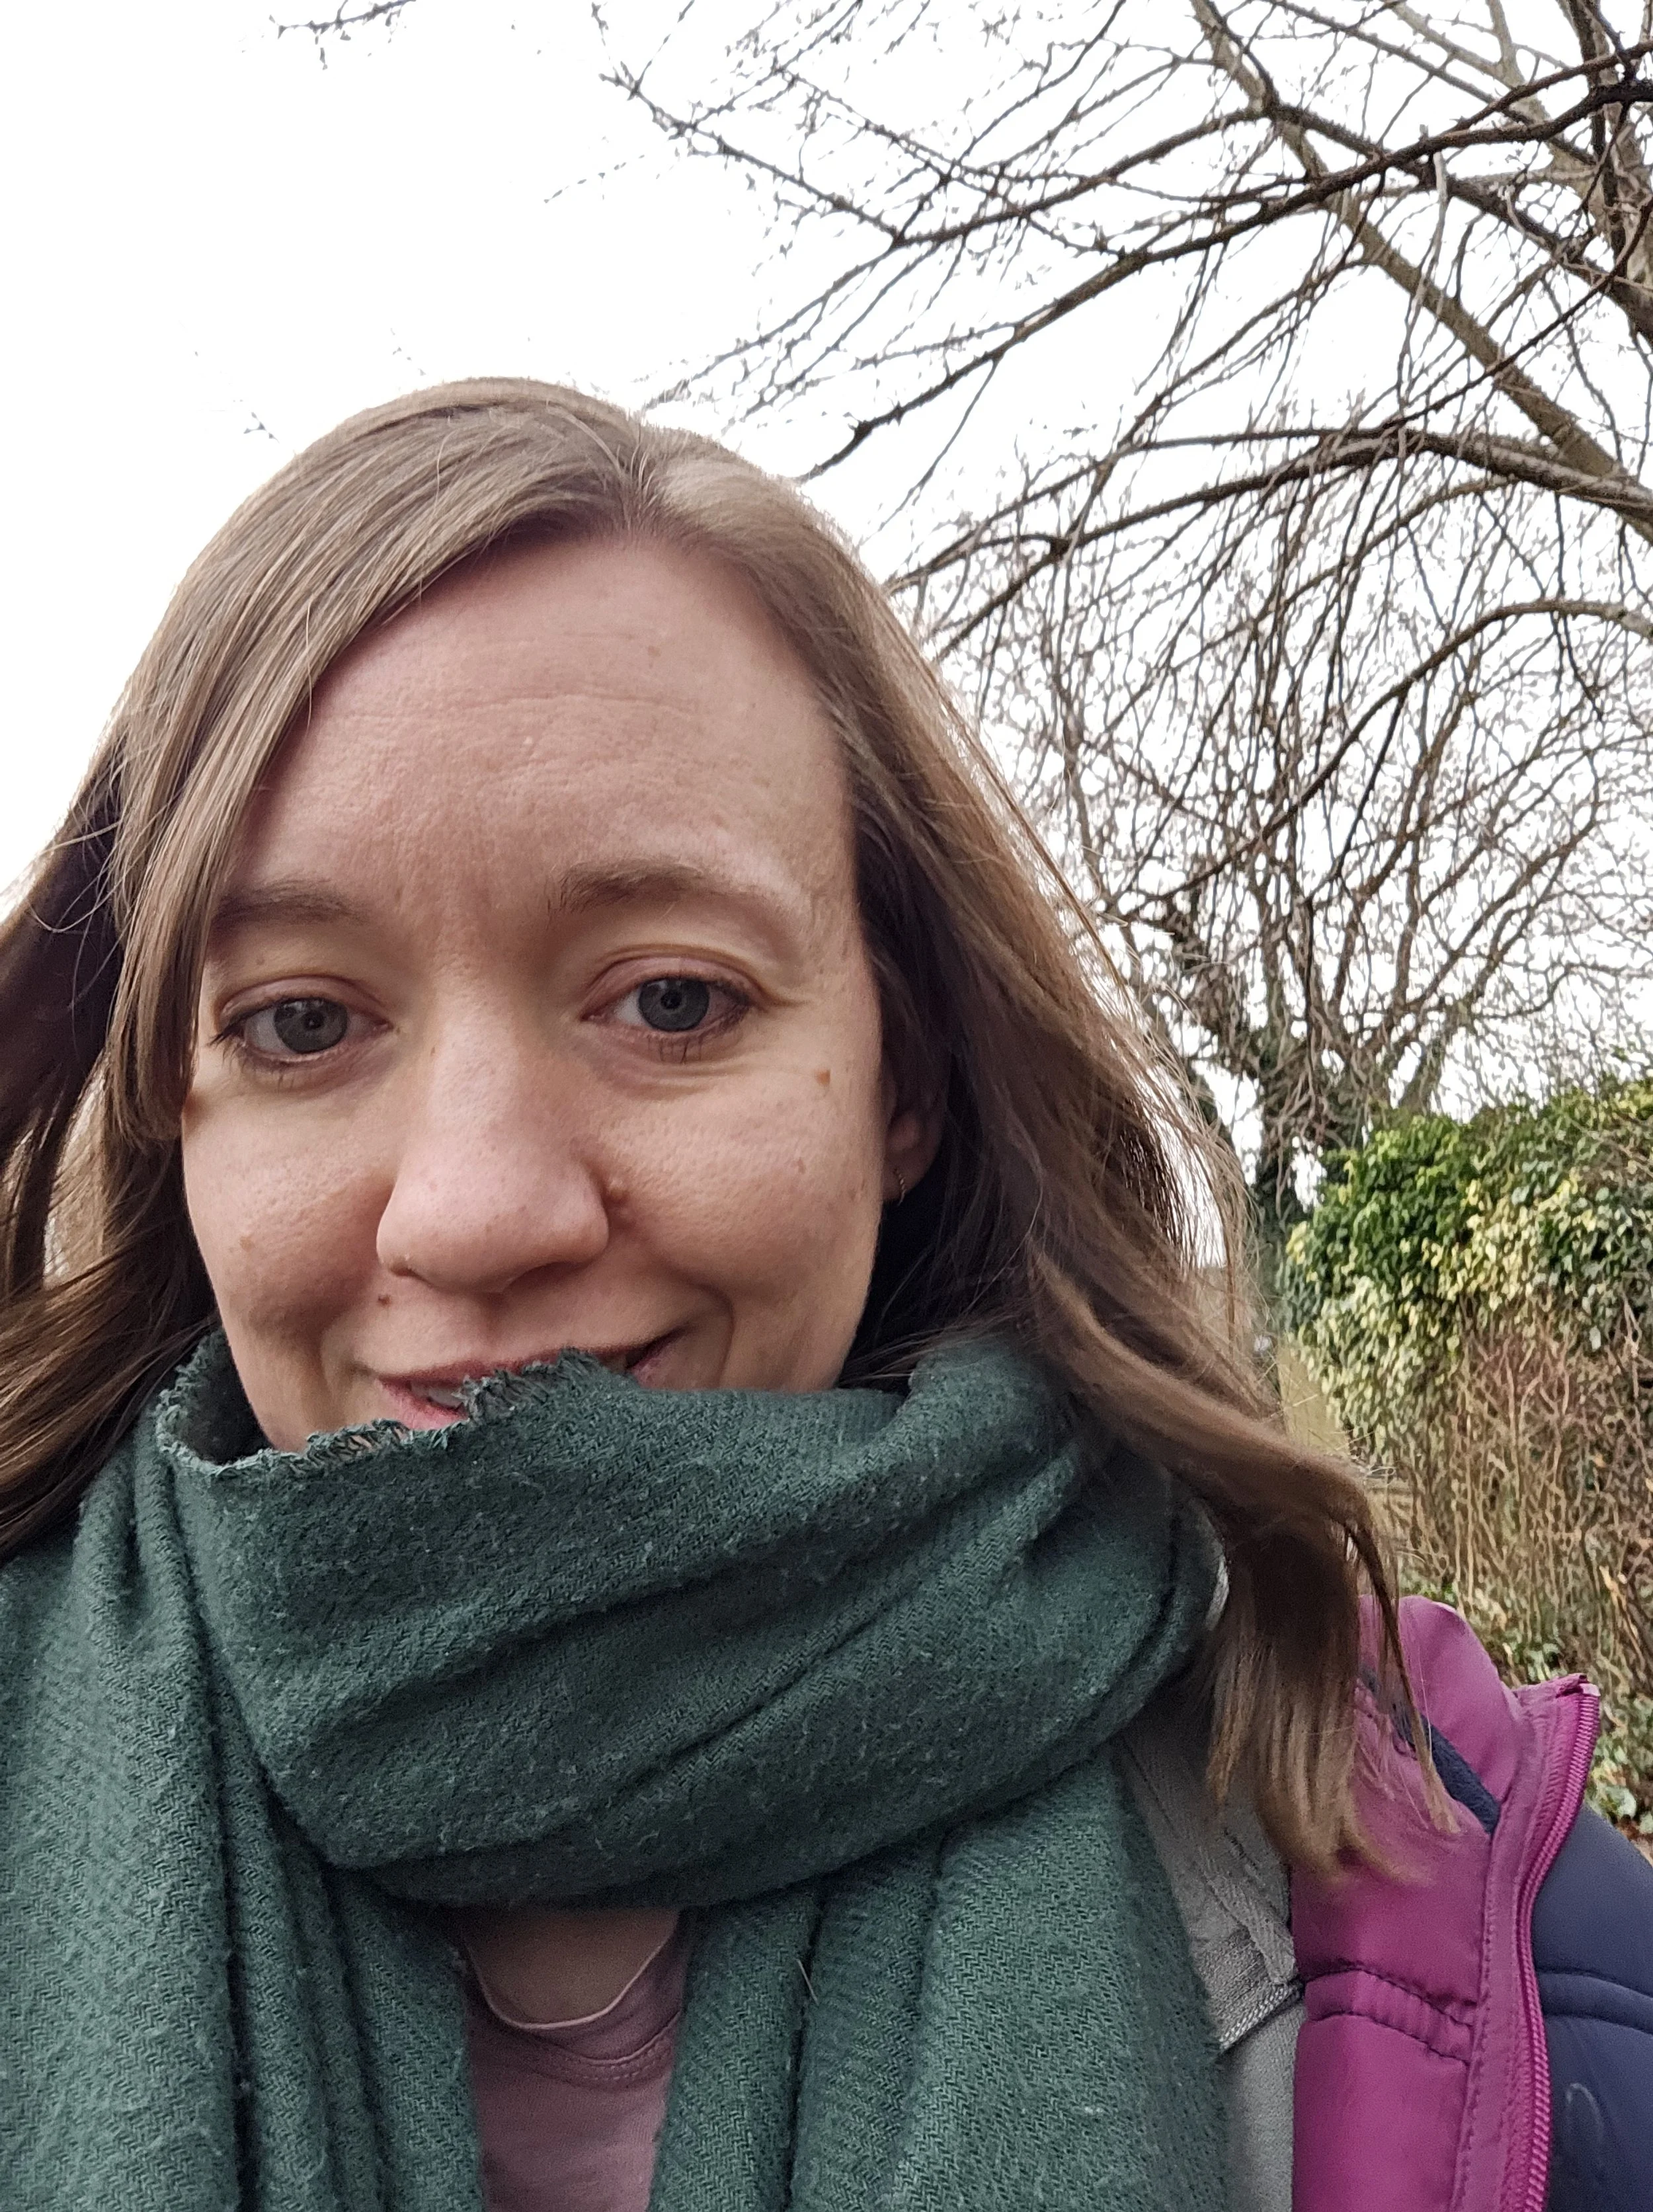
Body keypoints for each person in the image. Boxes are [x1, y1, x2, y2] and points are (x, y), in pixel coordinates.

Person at [0, 379, 1646, 2212]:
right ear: (172, 1114)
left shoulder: (1452, 1880)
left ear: (903, 1074)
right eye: (302, 1021)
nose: (473, 1213)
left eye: (672, 1000)